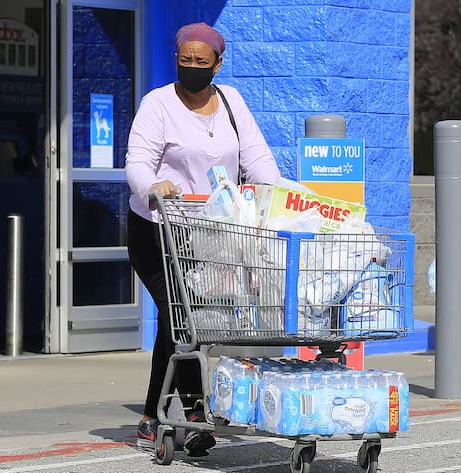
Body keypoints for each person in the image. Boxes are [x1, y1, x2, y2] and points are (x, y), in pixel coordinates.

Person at [125, 22, 281, 456]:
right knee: (182, 315)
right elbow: (137, 160)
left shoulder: (232, 101)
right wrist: (153, 186)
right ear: (176, 58)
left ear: (217, 63)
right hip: (158, 231)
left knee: (189, 321)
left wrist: (276, 195)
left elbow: (256, 157)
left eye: (201, 61)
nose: (192, 67)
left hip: (211, 234)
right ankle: (189, 413)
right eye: (184, 60)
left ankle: (156, 414)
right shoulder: (158, 104)